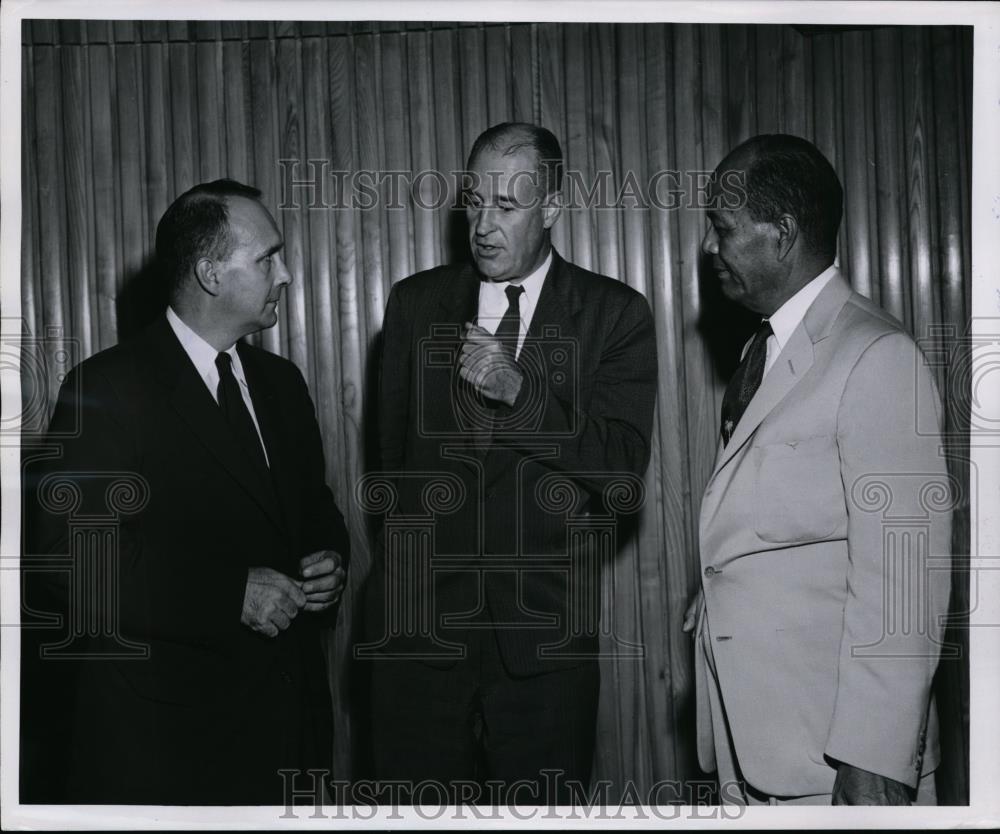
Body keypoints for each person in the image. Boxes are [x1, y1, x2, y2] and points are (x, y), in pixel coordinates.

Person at [22, 179, 350, 805]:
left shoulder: (282, 383)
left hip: (290, 741)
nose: (285, 274)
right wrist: (231, 594)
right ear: (209, 274)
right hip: (172, 753)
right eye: (267, 258)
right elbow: (75, 567)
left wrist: (330, 560)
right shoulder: (105, 390)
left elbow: (314, 511)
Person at [366, 122, 658, 803]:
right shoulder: (414, 305)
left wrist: (522, 395)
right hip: (417, 644)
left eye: (508, 205)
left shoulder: (614, 314)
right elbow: (389, 468)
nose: (484, 225)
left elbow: (620, 475)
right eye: (474, 201)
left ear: (551, 209)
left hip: (542, 652)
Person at [686, 134, 952, 805]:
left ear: (782, 234)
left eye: (723, 229)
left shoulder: (875, 356)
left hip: (839, 767)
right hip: (766, 748)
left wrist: (874, 761)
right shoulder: (765, 348)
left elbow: (903, 583)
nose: (711, 250)